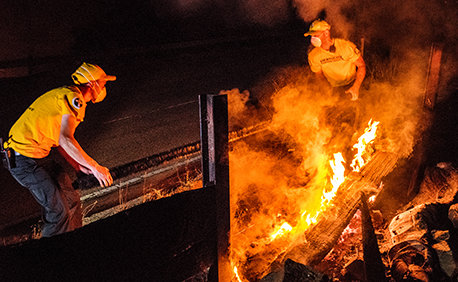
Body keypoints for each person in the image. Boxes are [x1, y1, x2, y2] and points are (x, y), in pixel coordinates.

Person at [3, 62, 115, 238]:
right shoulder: (74, 99)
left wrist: (78, 167)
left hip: (38, 155)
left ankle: (74, 244)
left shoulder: (66, 95)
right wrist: (95, 167)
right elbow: (66, 138)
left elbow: (60, 141)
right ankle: (52, 258)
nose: (104, 87)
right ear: (92, 84)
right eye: (103, 83)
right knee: (58, 212)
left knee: (72, 201)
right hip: (24, 160)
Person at [304, 19, 366, 101]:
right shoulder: (313, 55)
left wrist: (356, 86)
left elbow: (361, 65)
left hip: (353, 84)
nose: (313, 38)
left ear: (326, 33)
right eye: (311, 36)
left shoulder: (345, 46)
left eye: (315, 35)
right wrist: (327, 90)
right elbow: (319, 75)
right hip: (334, 89)